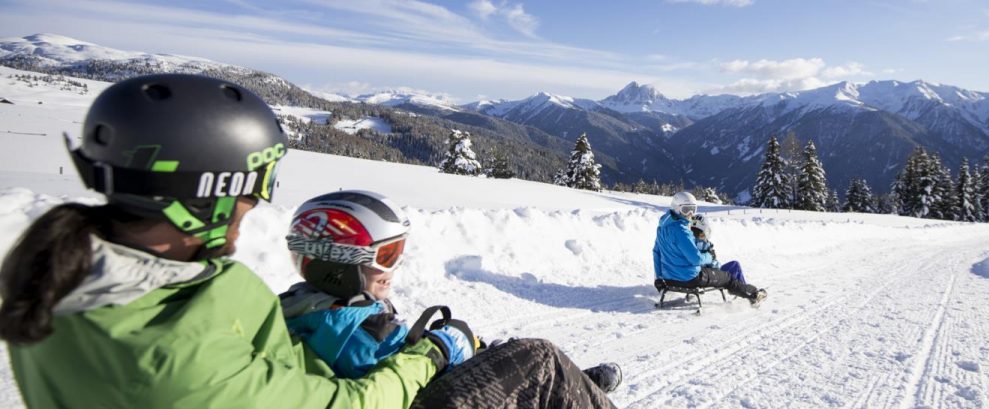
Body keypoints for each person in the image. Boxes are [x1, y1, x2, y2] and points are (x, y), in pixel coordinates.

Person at [0, 74, 613, 409]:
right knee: (535, 357)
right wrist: (426, 358)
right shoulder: (168, 364)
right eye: (249, 190)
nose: (253, 207)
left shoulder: (61, 280)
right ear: (205, 193)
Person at [279, 190, 623, 408]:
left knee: (504, 354)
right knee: (538, 355)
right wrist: (446, 349)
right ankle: (567, 388)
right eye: (387, 255)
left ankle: (568, 385)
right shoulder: (354, 332)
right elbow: (403, 386)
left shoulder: (306, 308)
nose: (395, 267)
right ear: (339, 263)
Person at [653, 192, 767, 305]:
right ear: (676, 208)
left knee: (721, 272)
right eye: (686, 209)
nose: (690, 214)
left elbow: (656, 252)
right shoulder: (681, 230)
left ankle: (748, 293)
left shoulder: (662, 228)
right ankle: (753, 296)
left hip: (669, 279)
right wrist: (709, 257)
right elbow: (696, 259)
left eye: (693, 209)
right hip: (690, 278)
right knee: (727, 277)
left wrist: (659, 277)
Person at [690, 213, 747, 285]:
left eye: (700, 234)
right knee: (735, 265)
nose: (698, 236)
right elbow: (707, 264)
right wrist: (713, 259)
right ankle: (743, 288)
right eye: (695, 233)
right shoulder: (701, 245)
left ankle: (741, 287)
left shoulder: (687, 243)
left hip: (700, 275)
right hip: (707, 275)